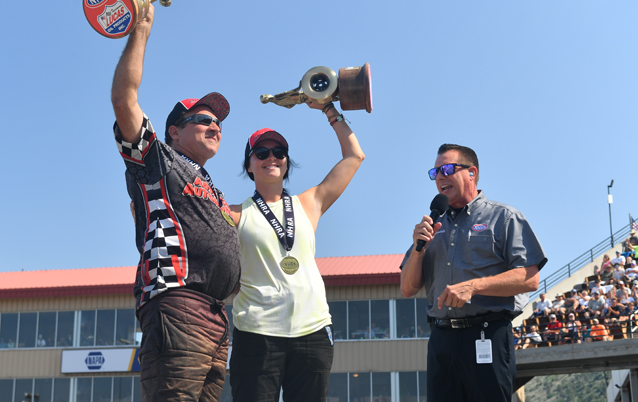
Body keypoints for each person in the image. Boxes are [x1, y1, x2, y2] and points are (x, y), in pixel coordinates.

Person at [110, 4, 241, 402]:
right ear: (173, 132)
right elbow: (124, 99)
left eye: (218, 122)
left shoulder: (211, 186)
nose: (214, 126)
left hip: (216, 317)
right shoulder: (159, 161)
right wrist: (141, 31)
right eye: (202, 120)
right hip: (177, 304)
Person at [228, 107, 365, 402]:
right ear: (249, 165)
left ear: (287, 162)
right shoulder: (233, 214)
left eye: (279, 152)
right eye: (261, 153)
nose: (271, 157)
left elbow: (354, 156)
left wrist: (329, 109)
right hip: (256, 332)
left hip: (313, 331)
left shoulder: (309, 203)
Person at [400, 143, 547, 402]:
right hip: (441, 339)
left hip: (487, 334)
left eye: (447, 169)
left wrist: (474, 286)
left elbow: (530, 278)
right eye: (435, 173)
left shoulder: (504, 217)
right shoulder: (431, 227)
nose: (440, 177)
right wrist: (418, 249)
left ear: (472, 172)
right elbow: (407, 288)